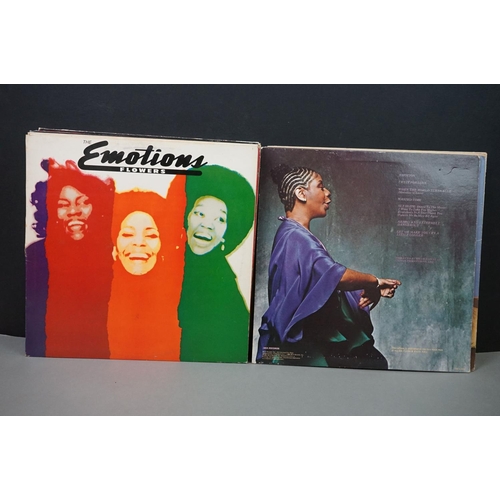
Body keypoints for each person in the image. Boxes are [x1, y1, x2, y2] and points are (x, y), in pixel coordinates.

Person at [257, 164, 401, 369]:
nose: (327, 192)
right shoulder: (295, 236)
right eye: (320, 186)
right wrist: (374, 281)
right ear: (301, 193)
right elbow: (335, 276)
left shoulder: (294, 234)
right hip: (301, 341)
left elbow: (323, 286)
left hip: (310, 337)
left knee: (371, 362)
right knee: (370, 364)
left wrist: (370, 290)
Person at [174, 165, 255, 363]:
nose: (207, 225)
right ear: (186, 217)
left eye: (219, 219)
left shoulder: (224, 282)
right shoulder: (165, 265)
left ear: (225, 233)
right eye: (200, 214)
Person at [42, 159, 115, 358]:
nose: (74, 211)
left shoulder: (113, 253)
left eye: (83, 203)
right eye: (63, 205)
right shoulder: (38, 254)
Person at [106, 183, 186, 361]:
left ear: (162, 243)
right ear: (114, 244)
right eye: (127, 234)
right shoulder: (98, 296)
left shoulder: (180, 294)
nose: (139, 243)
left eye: (151, 235)